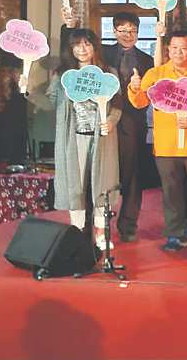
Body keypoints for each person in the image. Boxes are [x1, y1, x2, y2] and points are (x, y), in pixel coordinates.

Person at [61, 8, 154, 244]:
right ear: (114, 31)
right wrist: (69, 26)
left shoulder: (147, 60)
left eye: (132, 31)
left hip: (131, 123)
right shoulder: (102, 53)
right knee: (95, 174)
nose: (127, 35)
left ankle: (128, 225)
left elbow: (151, 92)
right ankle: (90, 227)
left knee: (132, 176)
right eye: (122, 30)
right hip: (97, 124)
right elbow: (75, 55)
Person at [128, 30, 187, 251]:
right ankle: (175, 234)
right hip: (166, 145)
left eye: (184, 48)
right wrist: (134, 88)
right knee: (171, 191)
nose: (179, 53)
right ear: (168, 50)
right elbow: (140, 102)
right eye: (174, 48)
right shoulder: (156, 74)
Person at [42, 29, 122, 250]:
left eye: (87, 44)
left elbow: (118, 104)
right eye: (77, 45)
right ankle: (76, 231)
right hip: (74, 138)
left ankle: (101, 232)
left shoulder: (108, 73)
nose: (82, 49)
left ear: (95, 47)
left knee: (102, 184)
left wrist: (111, 121)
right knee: (75, 185)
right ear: (71, 49)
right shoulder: (63, 75)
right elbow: (51, 100)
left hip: (102, 139)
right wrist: (27, 86)